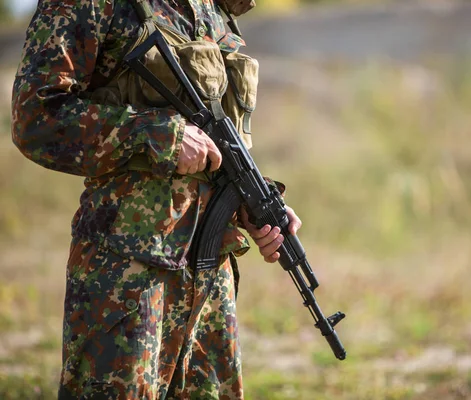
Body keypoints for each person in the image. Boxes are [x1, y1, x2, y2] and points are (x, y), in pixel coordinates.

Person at [11, 0, 301, 398]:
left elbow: (214, 133)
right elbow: (36, 118)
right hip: (128, 277)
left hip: (210, 279)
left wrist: (250, 201)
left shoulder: (213, 9)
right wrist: (155, 135)